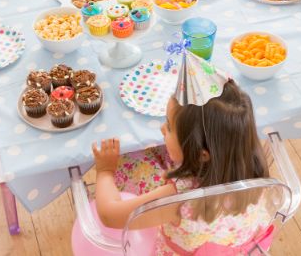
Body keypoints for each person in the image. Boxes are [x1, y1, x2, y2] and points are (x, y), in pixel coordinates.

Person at [92, 80, 272, 253]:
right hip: (239, 249)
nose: (162, 128)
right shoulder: (255, 164)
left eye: (169, 127)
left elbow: (110, 216)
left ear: (201, 155)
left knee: (130, 165)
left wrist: (105, 171)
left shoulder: (178, 199)